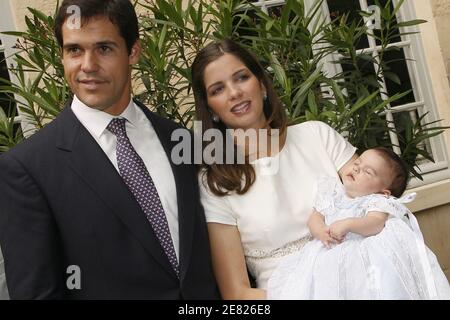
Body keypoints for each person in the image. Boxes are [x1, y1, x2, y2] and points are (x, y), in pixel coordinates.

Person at [0, 0, 219, 299]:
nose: (88, 65)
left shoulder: (180, 140)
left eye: (104, 48)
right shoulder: (28, 169)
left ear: (134, 52)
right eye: (74, 50)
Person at [191, 38, 358, 299]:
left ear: (262, 85)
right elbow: (237, 294)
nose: (234, 92)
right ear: (210, 109)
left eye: (241, 77)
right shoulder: (214, 181)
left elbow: (375, 201)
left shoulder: (318, 136)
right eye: (218, 89)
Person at [268, 147, 450, 299]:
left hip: (363, 259)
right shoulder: (332, 194)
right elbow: (314, 218)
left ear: (383, 191)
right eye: (357, 163)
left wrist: (349, 224)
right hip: (327, 252)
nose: (356, 169)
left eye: (367, 171)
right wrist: (320, 231)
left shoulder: (376, 201)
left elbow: (375, 223)